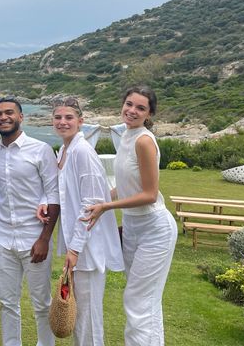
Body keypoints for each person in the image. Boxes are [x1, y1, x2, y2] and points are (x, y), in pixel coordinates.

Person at [83, 86, 177, 346]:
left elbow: (149, 194)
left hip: (155, 229)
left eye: (140, 107)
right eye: (129, 104)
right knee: (145, 300)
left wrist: (107, 208)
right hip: (133, 227)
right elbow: (125, 185)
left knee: (138, 300)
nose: (132, 111)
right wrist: (103, 199)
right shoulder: (125, 136)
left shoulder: (143, 140)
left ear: (149, 114)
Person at [46, 97, 124, 345]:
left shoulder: (82, 152)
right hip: (78, 246)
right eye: (58, 117)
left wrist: (75, 248)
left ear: (81, 122)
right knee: (79, 314)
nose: (63, 122)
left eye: (69, 117)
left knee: (89, 316)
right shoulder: (65, 150)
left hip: (88, 248)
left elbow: (90, 204)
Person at [0, 96, 60, 346]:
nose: (3, 117)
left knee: (41, 302)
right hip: (2, 237)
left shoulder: (40, 150)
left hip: (34, 238)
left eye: (9, 112)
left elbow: (54, 194)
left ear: (21, 117)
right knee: (7, 302)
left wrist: (44, 239)